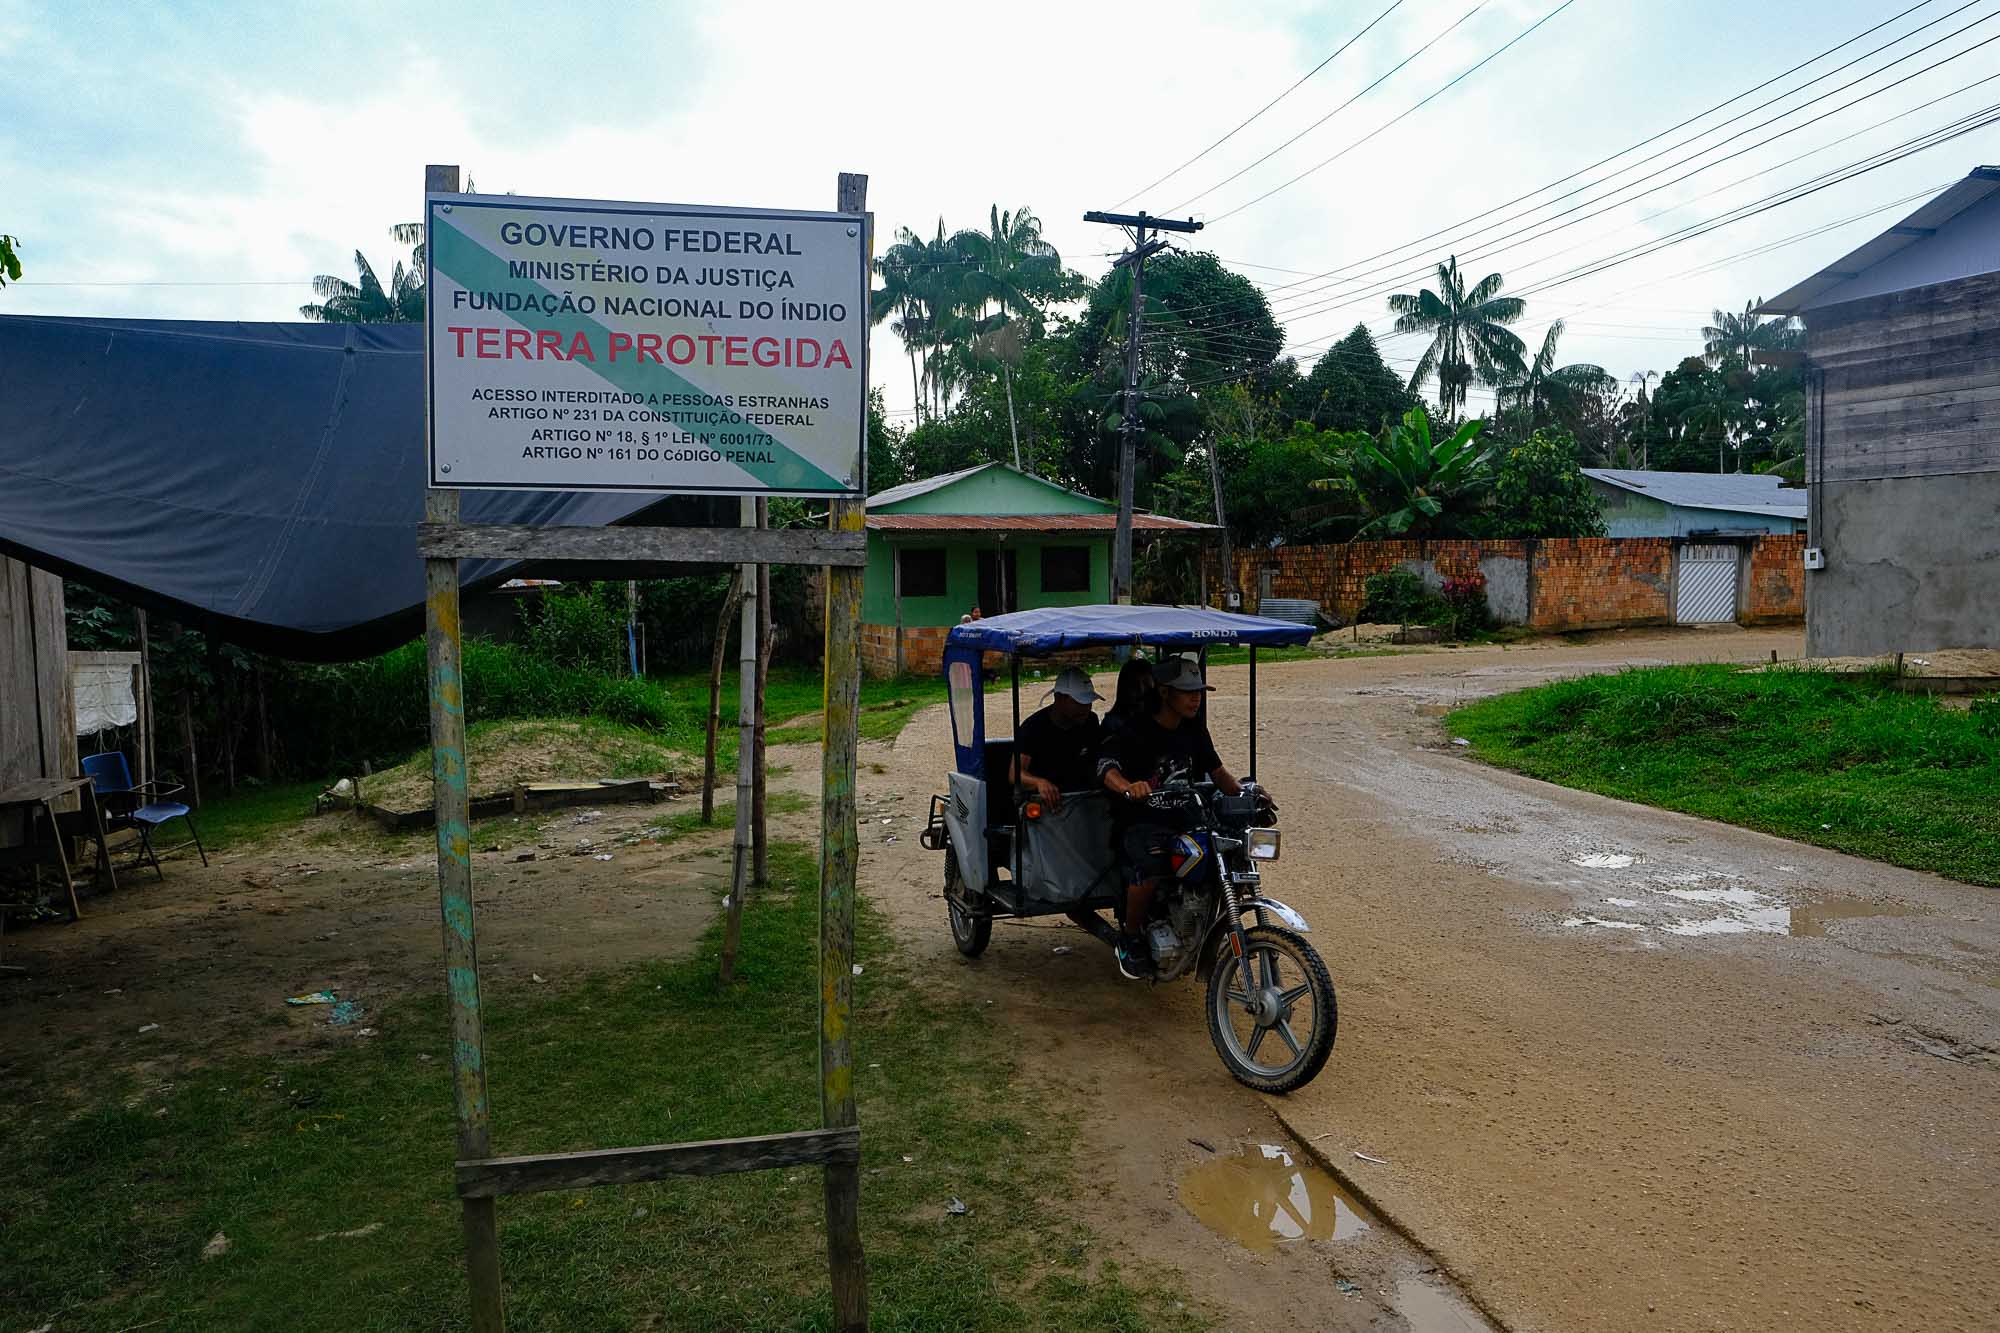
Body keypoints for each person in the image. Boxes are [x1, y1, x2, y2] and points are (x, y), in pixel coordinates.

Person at [1097, 656, 1249, 980]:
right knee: (1150, 869)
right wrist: (1128, 787)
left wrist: (1248, 793)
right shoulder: (1134, 728)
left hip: (1186, 819)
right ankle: (1131, 936)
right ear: (1165, 693)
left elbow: (1218, 772)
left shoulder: (1193, 728)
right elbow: (1105, 767)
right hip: (1142, 822)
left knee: (1230, 855)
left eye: (1199, 691)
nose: (1196, 698)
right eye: (1187, 691)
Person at [1010, 667, 1103, 807]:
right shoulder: (1033, 728)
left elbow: (1098, 760)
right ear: (1059, 698)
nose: (1086, 708)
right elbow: (1014, 774)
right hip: (1047, 807)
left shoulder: (1090, 721)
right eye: (1079, 702)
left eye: (1089, 702)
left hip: (1082, 803)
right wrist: (1038, 782)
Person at [1099, 656, 1157, 742]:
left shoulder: (1160, 718)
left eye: (1146, 684)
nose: (1141, 690)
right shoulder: (1112, 724)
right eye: (1135, 685)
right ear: (1124, 689)